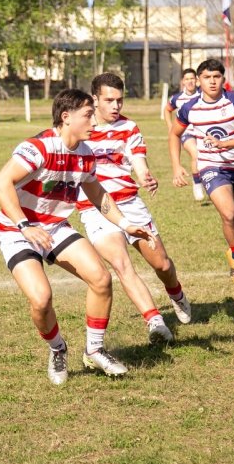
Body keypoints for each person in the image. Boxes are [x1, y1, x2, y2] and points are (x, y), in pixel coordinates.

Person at [0, 88, 155, 385]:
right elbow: (0, 184)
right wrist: (25, 225)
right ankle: (57, 348)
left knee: (101, 279)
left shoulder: (85, 154)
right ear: (66, 117)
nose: (94, 121)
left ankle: (94, 350)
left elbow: (98, 194)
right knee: (41, 300)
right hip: (17, 230)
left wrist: (125, 224)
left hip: (55, 228)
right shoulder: (39, 147)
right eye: (88, 115)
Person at [80, 73, 192, 344]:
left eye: (120, 100)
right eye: (109, 100)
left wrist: (145, 177)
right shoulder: (81, 129)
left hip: (130, 203)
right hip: (95, 207)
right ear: (95, 99)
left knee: (162, 264)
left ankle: (176, 293)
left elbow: (138, 163)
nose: (116, 106)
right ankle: (155, 321)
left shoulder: (129, 127)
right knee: (121, 263)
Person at [169, 58, 234, 289]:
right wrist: (176, 165)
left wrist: (224, 144)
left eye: (216, 77)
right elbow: (175, 134)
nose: (212, 81)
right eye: (207, 77)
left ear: (223, 79)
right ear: (199, 80)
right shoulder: (190, 108)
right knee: (229, 215)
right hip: (211, 167)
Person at [163, 68, 205, 201]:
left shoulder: (203, 94)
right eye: (187, 79)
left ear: (196, 80)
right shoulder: (178, 98)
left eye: (192, 78)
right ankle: (197, 184)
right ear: (183, 81)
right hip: (187, 134)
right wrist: (171, 127)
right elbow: (167, 110)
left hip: (203, 133)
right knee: (196, 154)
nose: (190, 81)